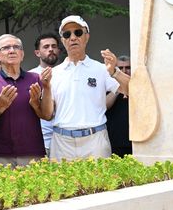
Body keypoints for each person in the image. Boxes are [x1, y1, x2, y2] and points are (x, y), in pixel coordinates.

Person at [49, 15, 130, 161]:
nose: (73, 37)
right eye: (67, 34)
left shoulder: (101, 69)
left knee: (100, 184)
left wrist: (115, 71)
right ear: (62, 40)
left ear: (87, 37)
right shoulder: (53, 73)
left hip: (95, 140)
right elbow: (47, 112)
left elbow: (130, 90)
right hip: (62, 141)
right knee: (62, 183)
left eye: (78, 33)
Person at [0, 34, 53, 171]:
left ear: (22, 54)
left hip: (32, 152)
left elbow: (47, 115)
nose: (12, 50)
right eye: (6, 48)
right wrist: (0, 108)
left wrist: (46, 88)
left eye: (16, 47)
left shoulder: (35, 79)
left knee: (36, 192)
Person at [28, 32, 62, 157]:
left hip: (66, 140)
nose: (51, 49)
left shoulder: (66, 73)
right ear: (37, 53)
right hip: (40, 142)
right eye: (46, 47)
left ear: (58, 50)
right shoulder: (29, 77)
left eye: (54, 46)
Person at [106, 55, 133, 156]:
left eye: (128, 67)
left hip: (135, 141)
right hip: (115, 141)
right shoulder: (109, 84)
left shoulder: (138, 85)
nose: (125, 71)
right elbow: (105, 106)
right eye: (120, 68)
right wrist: (118, 88)